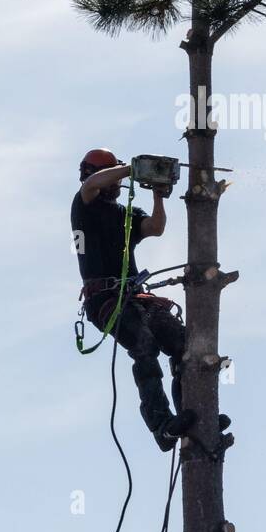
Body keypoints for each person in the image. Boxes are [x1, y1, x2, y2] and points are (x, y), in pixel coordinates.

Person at [71, 148, 198, 452]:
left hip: (134, 296)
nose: (118, 185)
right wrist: (133, 168)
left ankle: (195, 415)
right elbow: (92, 186)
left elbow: (155, 227)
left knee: (182, 344)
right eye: (113, 177)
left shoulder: (124, 214)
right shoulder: (84, 205)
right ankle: (161, 426)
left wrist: (157, 195)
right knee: (143, 344)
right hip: (104, 299)